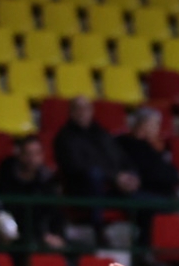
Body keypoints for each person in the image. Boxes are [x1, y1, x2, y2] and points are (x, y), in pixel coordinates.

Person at [54, 96, 135, 232]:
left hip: (113, 185)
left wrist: (131, 174)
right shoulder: (65, 137)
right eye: (78, 109)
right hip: (82, 190)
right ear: (71, 112)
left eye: (86, 108)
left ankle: (141, 242)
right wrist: (115, 177)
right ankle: (97, 232)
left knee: (143, 197)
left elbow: (120, 157)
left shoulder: (101, 133)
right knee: (94, 176)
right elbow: (77, 166)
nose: (82, 112)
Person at [0, 136, 65, 249]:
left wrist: (53, 235)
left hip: (38, 236)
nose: (32, 158)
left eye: (37, 154)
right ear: (20, 155)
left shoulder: (48, 181)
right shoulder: (6, 176)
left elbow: (54, 214)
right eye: (28, 153)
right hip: (9, 234)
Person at [117, 108, 179, 200]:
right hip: (143, 195)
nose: (158, 128)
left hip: (156, 193)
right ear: (143, 125)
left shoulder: (147, 145)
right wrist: (178, 176)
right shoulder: (129, 144)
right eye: (156, 124)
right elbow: (154, 172)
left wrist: (178, 175)